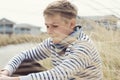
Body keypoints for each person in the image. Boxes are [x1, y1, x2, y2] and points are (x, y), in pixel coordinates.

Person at [0, 0, 103, 80]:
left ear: (71, 24)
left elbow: (59, 75)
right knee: (24, 63)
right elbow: (24, 55)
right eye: (47, 26)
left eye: (55, 26)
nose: (49, 31)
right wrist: (6, 72)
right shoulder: (53, 42)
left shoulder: (83, 46)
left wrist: (14, 79)